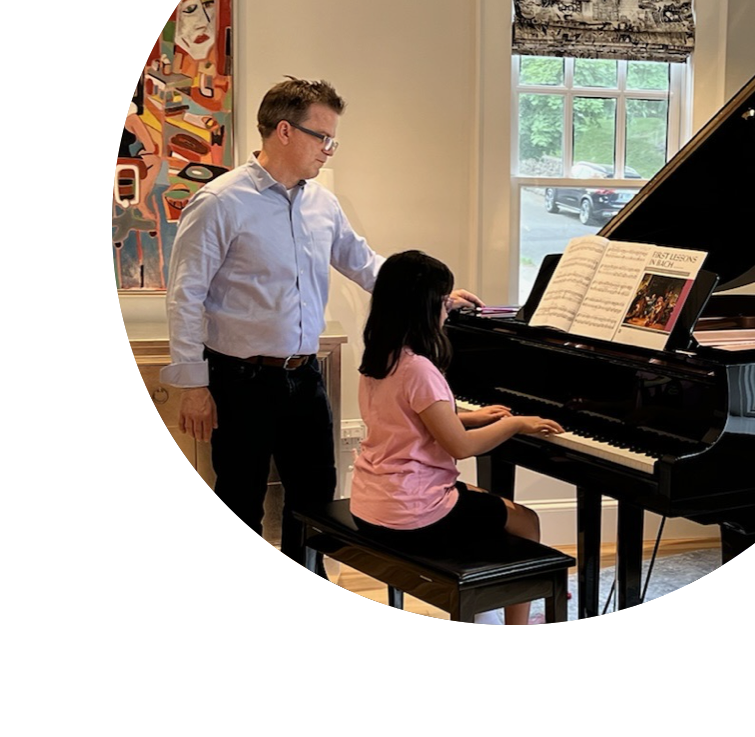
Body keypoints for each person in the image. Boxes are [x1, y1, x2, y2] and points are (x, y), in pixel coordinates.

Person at [160, 77, 481, 563]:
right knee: (239, 501)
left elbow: (363, 263)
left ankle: (302, 600)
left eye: (333, 139)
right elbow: (185, 296)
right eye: (323, 137)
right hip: (238, 380)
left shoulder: (321, 204)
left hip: (305, 376)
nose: (330, 150)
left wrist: (434, 296)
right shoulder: (220, 203)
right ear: (284, 131)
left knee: (315, 501)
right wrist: (192, 386)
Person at [350, 249, 564, 625]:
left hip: (372, 501)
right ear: (424, 308)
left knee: (481, 499)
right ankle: (519, 614)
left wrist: (470, 416)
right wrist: (516, 424)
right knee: (526, 520)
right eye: (443, 301)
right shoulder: (420, 369)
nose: (448, 309)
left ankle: (507, 595)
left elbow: (410, 421)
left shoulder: (379, 359)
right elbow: (461, 449)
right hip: (413, 516)